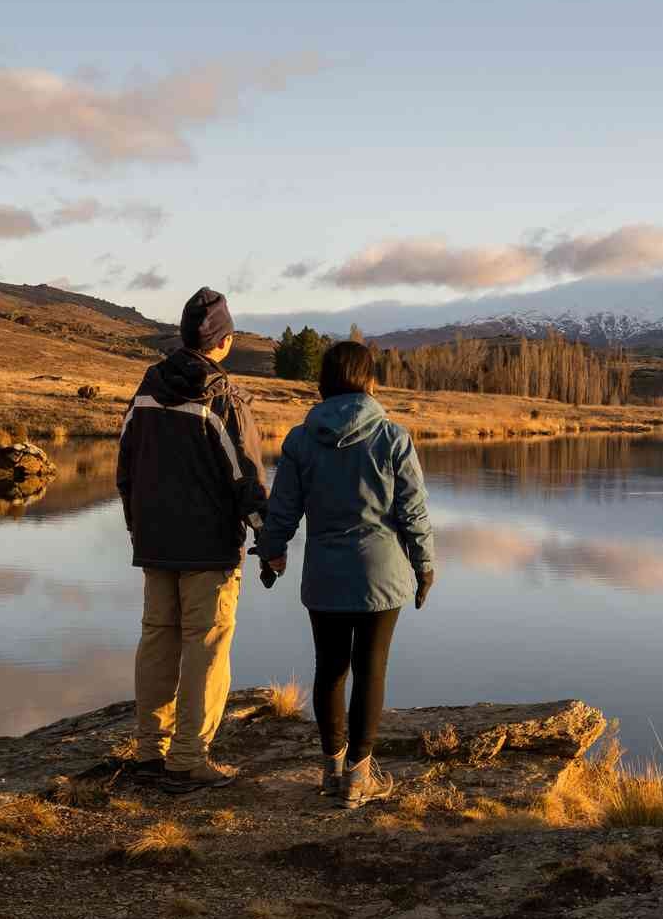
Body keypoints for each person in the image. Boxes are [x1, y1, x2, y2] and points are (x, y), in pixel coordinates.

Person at [256, 340, 434, 808]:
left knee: (330, 669)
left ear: (324, 383)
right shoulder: (393, 437)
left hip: (324, 575)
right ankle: (358, 778)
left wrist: (271, 553)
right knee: (370, 669)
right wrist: (424, 564)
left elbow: (283, 509)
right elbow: (413, 511)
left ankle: (331, 771)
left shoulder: (299, 440)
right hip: (382, 574)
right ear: (369, 382)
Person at [115, 287, 267, 793]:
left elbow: (124, 466)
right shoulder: (222, 395)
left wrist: (137, 525)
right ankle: (188, 760)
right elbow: (246, 479)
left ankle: (148, 753)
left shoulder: (146, 387)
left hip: (155, 543)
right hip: (209, 548)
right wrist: (270, 542)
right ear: (223, 340)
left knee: (157, 640)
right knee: (205, 648)